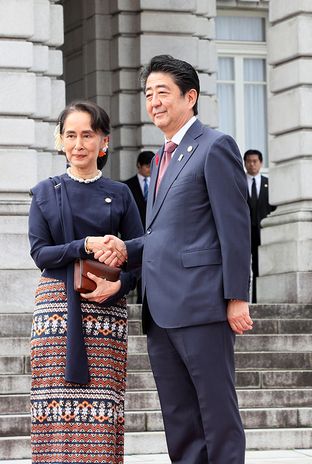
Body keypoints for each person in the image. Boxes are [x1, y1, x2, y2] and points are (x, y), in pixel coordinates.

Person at [92, 55, 253, 464]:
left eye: (162, 92)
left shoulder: (215, 147)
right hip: (160, 311)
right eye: (149, 94)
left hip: (202, 305)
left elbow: (234, 228)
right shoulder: (162, 157)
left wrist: (237, 295)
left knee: (216, 413)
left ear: (190, 96)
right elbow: (164, 234)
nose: (154, 102)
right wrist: (128, 248)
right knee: (179, 419)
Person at [28, 100, 143, 464]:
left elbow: (142, 255)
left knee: (101, 410)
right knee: (53, 406)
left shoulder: (122, 194)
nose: (79, 143)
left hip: (105, 312)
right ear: (60, 141)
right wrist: (86, 245)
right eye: (71, 135)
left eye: (87, 135)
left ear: (103, 141)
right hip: (55, 312)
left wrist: (120, 286)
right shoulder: (45, 191)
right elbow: (40, 254)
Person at [244, 149, 276, 303]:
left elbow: (273, 208)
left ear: (261, 163)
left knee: (259, 267)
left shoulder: (269, 184)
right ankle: (243, 300)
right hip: (244, 233)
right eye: (249, 161)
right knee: (243, 267)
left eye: (255, 161)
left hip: (262, 233)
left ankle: (256, 300)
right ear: (244, 163)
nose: (252, 164)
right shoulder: (239, 183)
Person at [123, 150, 154, 302]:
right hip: (134, 237)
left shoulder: (160, 183)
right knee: (135, 271)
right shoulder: (126, 186)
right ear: (139, 166)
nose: (150, 169)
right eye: (147, 166)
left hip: (153, 237)